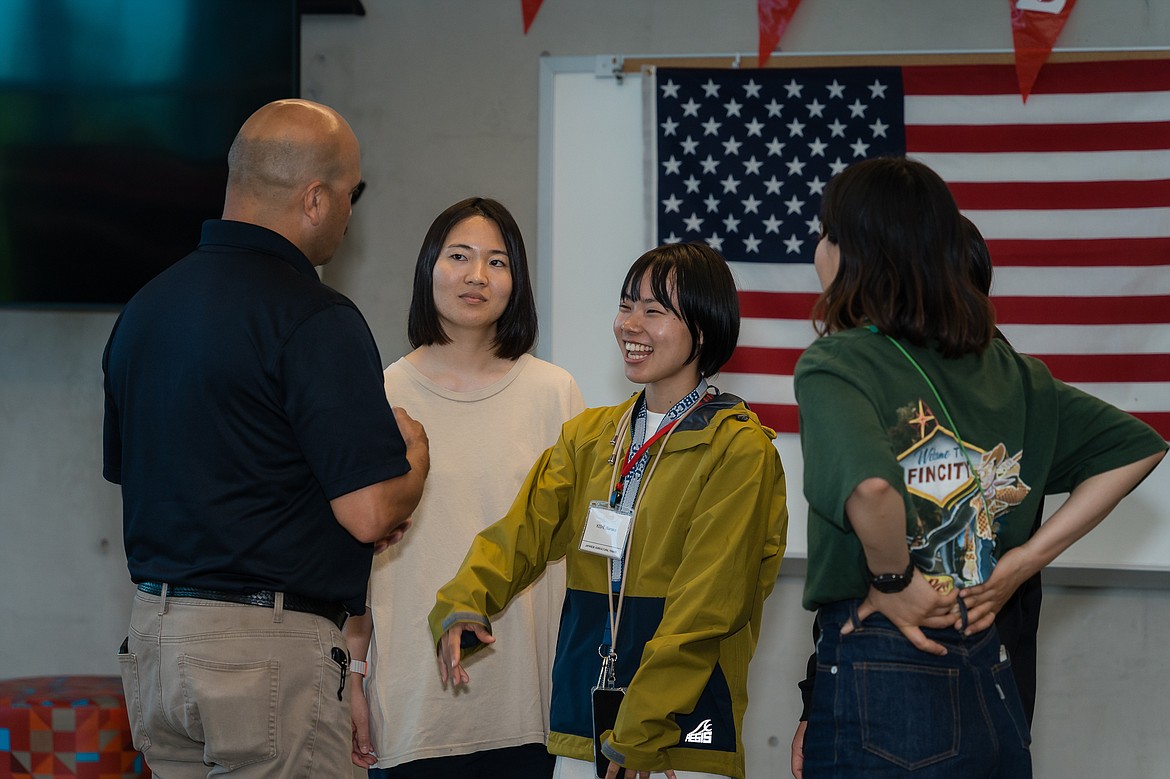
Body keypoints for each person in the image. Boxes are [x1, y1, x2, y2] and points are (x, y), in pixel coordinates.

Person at [793, 156, 1166, 777]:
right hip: (991, 660)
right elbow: (1137, 447)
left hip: (887, 651)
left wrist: (894, 584)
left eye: (827, 233)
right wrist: (1020, 564)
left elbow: (873, 486)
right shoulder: (1012, 370)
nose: (818, 248)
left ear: (855, 250)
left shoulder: (839, 361)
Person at [103, 99, 430, 777]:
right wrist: (414, 464)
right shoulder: (316, 318)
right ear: (314, 198)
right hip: (263, 654)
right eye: (350, 193)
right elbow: (368, 510)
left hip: (157, 641)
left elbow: (186, 476)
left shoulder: (145, 310)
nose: (349, 212)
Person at [428, 242, 788, 779]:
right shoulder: (592, 437)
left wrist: (640, 731)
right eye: (626, 305)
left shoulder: (738, 450)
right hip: (582, 722)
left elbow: (706, 610)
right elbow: (521, 534)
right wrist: (464, 602)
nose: (630, 325)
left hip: (680, 738)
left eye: (654, 310)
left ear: (706, 330)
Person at [788, 216, 1046, 777]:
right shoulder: (1009, 383)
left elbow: (873, 496)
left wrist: (893, 581)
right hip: (985, 683)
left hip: (915, 676)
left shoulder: (989, 386)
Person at [344, 196, 585, 778]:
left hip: (525, 705)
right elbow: (353, 558)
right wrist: (353, 675)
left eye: (497, 262)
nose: (478, 276)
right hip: (411, 706)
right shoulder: (380, 394)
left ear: (517, 280)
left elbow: (585, 553)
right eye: (460, 256)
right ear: (429, 266)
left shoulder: (555, 395)